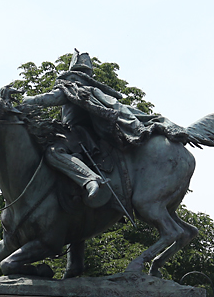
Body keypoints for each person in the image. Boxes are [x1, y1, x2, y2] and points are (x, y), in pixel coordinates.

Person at [16, 50, 190, 208]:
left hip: (77, 136)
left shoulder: (71, 88)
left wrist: (22, 101)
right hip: (91, 137)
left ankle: (91, 180)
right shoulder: (92, 90)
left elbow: (47, 99)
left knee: (52, 153)